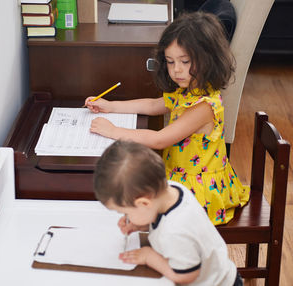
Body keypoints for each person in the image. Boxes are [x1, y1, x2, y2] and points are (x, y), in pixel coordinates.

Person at [85, 12, 249, 225]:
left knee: (145, 208)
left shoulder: (204, 106)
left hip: (198, 193)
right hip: (180, 177)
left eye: (185, 61)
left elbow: (160, 140)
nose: (177, 70)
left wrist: (114, 131)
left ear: (208, 59)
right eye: (170, 62)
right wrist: (111, 106)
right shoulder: (190, 90)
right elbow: (154, 105)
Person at [94, 140, 243, 286]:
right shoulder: (170, 188)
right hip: (221, 271)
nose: (126, 218)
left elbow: (185, 275)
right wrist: (141, 225)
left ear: (144, 203)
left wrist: (149, 257)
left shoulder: (174, 231)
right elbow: (160, 217)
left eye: (125, 213)